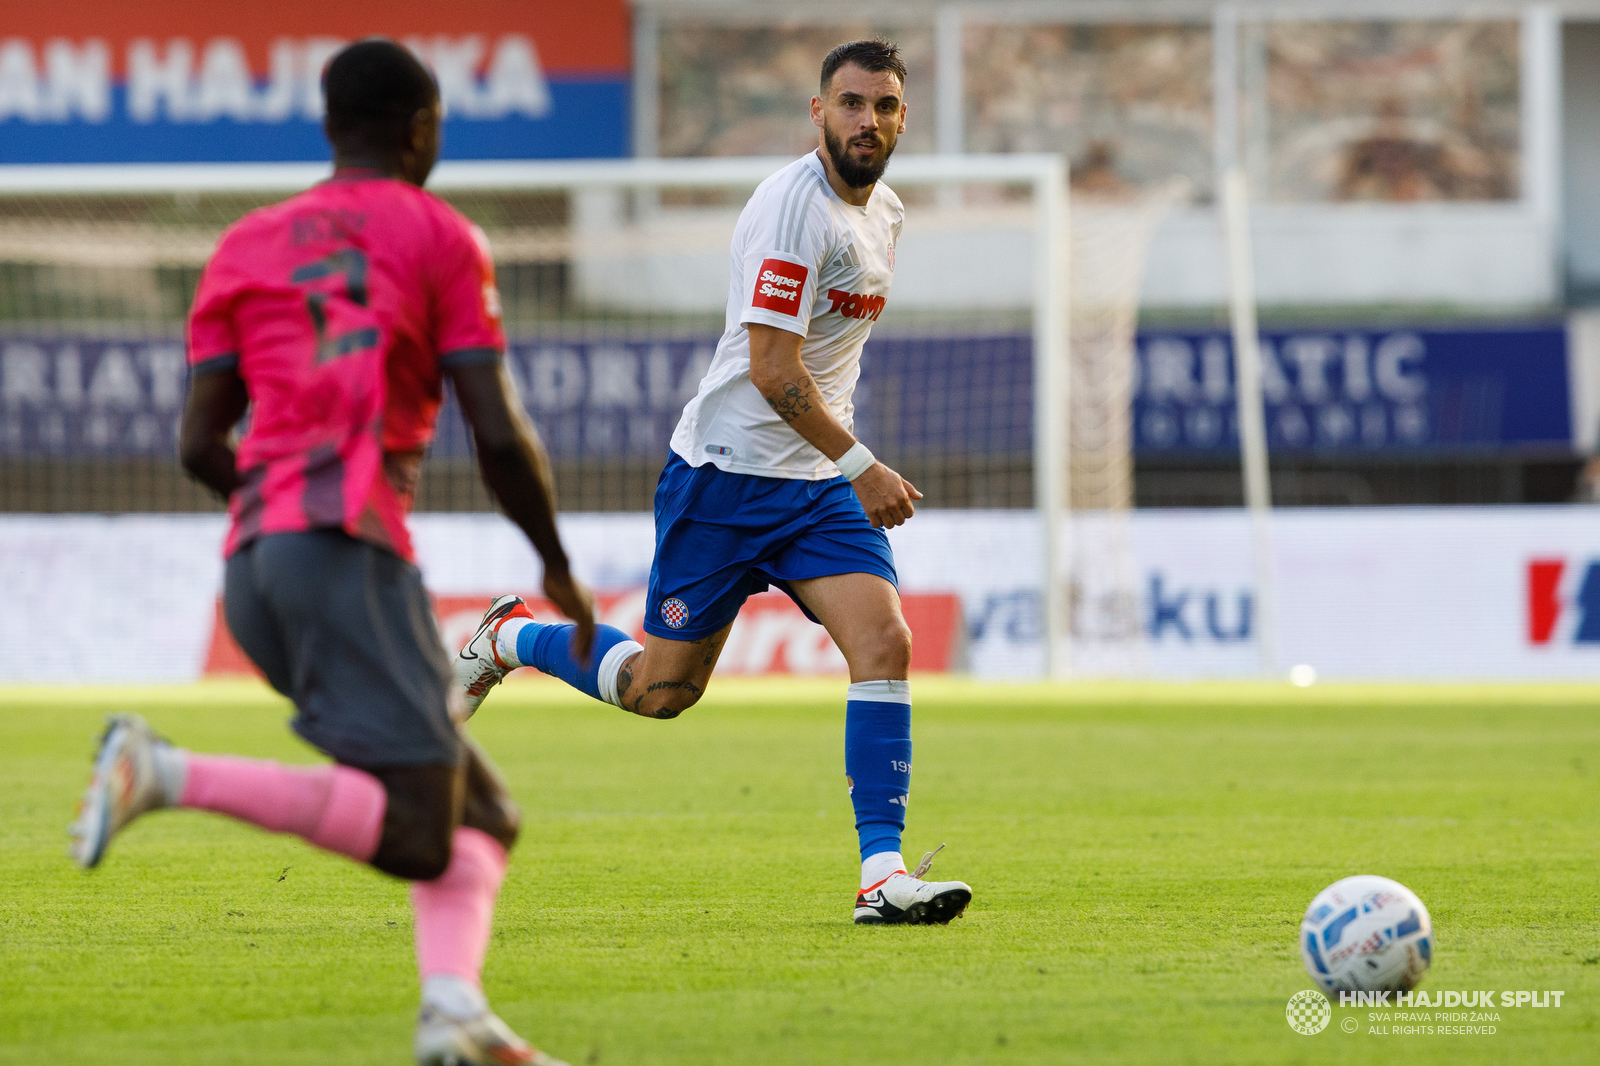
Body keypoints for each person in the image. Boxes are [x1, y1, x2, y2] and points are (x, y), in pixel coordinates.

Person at [67, 38, 594, 1066]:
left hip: (254, 568)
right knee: (421, 832)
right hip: (348, 554)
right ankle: (163, 770)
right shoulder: (440, 235)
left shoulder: (245, 244)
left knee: (482, 812)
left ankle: (453, 1010)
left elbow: (194, 445)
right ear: (423, 130)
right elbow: (497, 427)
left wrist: (272, 504)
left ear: (327, 127)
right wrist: (557, 566)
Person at [454, 39, 972, 926]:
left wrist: (839, 469)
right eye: (850, 104)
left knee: (884, 646)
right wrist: (864, 464)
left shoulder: (885, 212)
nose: (868, 121)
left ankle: (881, 876)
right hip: (725, 478)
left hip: (813, 487)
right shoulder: (790, 210)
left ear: (901, 115)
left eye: (884, 105)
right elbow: (772, 370)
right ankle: (510, 641)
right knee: (659, 692)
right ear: (818, 112)